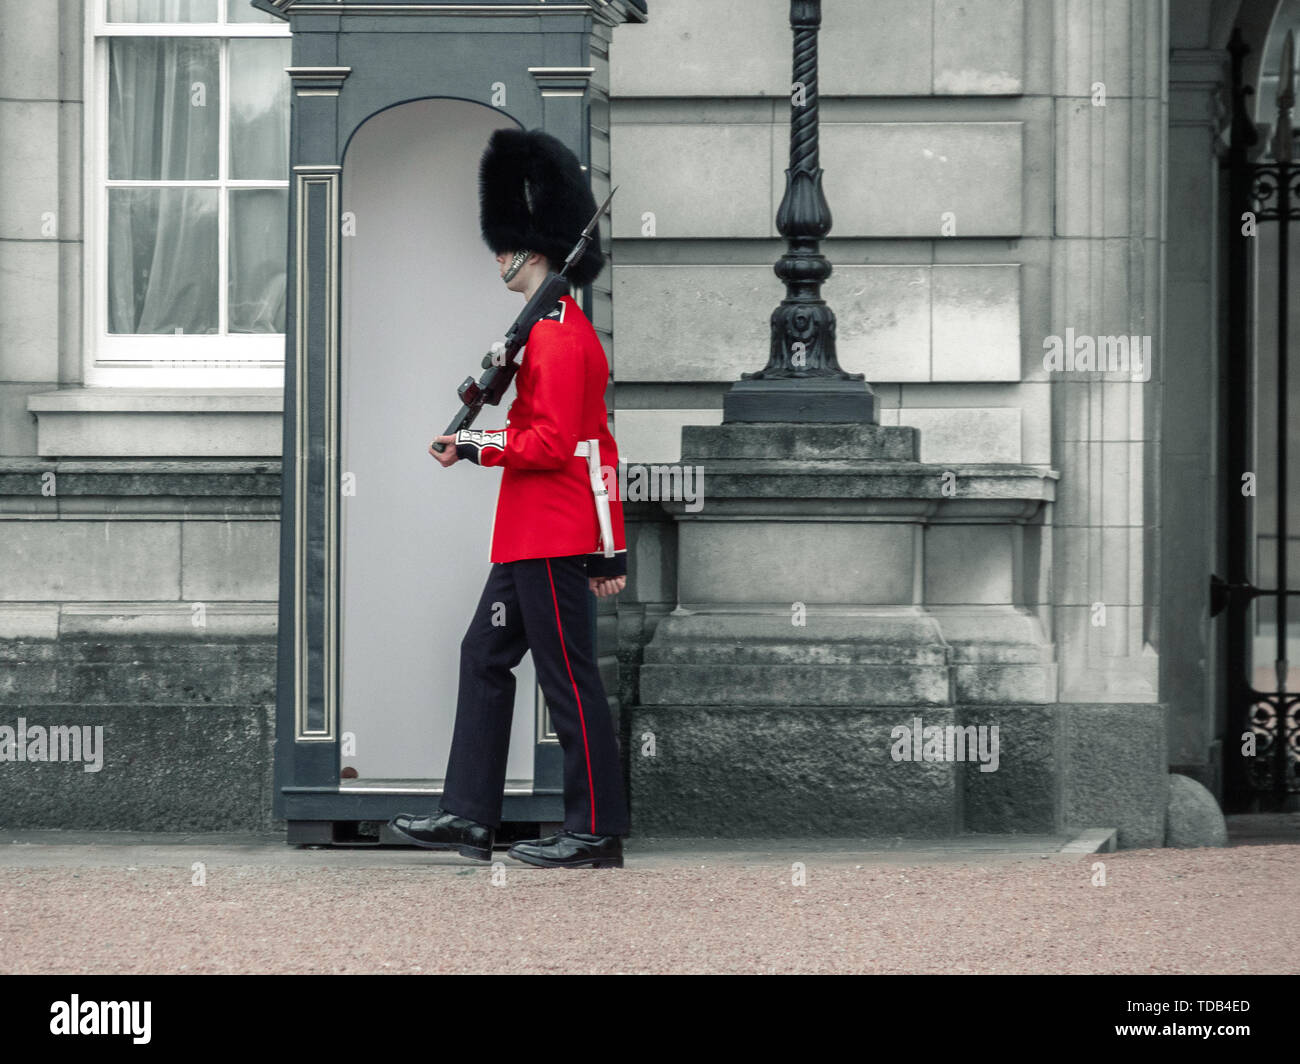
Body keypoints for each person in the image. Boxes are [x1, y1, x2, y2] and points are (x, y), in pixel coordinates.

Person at [388, 128, 630, 869]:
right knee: (483, 655)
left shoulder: (558, 337)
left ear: (534, 247)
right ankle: (469, 816)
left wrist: (472, 444)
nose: (498, 256)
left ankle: (594, 832)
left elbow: (556, 445)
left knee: (568, 682)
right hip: (529, 534)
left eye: (506, 245)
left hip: (552, 534)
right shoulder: (542, 332)